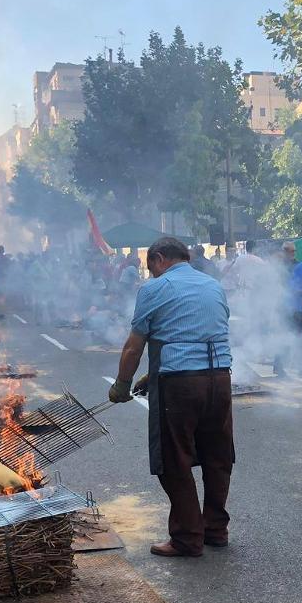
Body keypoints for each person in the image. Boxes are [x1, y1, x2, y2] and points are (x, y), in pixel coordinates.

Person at [108, 237, 234, 557]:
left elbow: (134, 346)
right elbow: (196, 332)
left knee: (173, 460)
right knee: (217, 457)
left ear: (159, 258)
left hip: (180, 386)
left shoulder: (154, 289)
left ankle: (187, 537)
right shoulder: (213, 285)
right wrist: (153, 374)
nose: (152, 275)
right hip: (219, 380)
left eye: (152, 268)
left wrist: (121, 384)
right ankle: (215, 529)